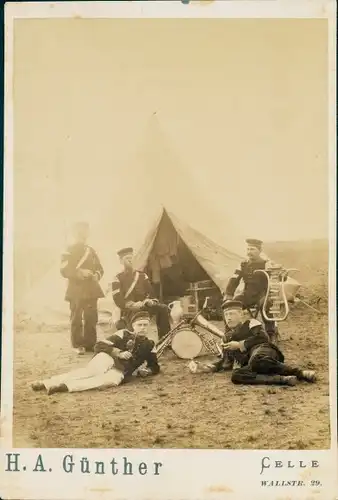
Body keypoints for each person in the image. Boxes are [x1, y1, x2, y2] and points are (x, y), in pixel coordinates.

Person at [31, 311, 160, 395]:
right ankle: (45, 383)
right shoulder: (123, 334)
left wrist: (147, 370)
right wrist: (117, 352)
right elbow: (99, 345)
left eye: (145, 325)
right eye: (139, 325)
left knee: (109, 381)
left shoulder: (150, 345)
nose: (142, 328)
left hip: (122, 370)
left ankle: (64, 386)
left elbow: (154, 365)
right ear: (133, 326)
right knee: (90, 372)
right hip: (107, 358)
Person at [192, 300, 316, 387]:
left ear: (241, 314)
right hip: (253, 364)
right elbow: (226, 362)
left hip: (264, 350)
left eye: (231, 314)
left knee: (257, 359)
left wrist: (240, 345)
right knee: (236, 375)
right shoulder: (227, 337)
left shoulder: (251, 322)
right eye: (226, 315)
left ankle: (300, 373)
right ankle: (283, 380)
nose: (228, 318)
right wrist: (209, 367)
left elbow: (263, 337)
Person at [224, 238, 287, 340]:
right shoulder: (243, 264)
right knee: (230, 306)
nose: (249, 252)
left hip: (263, 294)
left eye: (252, 249)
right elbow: (234, 279)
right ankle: (231, 334)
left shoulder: (267, 263)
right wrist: (228, 295)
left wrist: (283, 274)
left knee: (265, 305)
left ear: (259, 251)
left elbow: (279, 277)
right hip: (247, 295)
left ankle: (270, 334)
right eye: (248, 249)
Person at [60, 221, 104, 355]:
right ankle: (78, 344)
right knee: (77, 317)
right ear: (75, 233)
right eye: (81, 231)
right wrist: (80, 273)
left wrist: (96, 274)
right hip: (76, 289)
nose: (84, 234)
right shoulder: (68, 250)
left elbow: (100, 268)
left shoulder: (91, 250)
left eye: (86, 231)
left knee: (91, 317)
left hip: (91, 288)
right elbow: (64, 269)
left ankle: (90, 344)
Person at [111, 247, 171, 340]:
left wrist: (150, 301)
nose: (130, 261)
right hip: (127, 309)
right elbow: (117, 298)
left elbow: (151, 294)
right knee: (128, 334)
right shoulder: (118, 278)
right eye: (127, 259)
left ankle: (165, 339)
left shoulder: (142, 275)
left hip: (143, 306)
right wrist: (131, 305)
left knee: (162, 308)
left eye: (132, 258)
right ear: (121, 261)